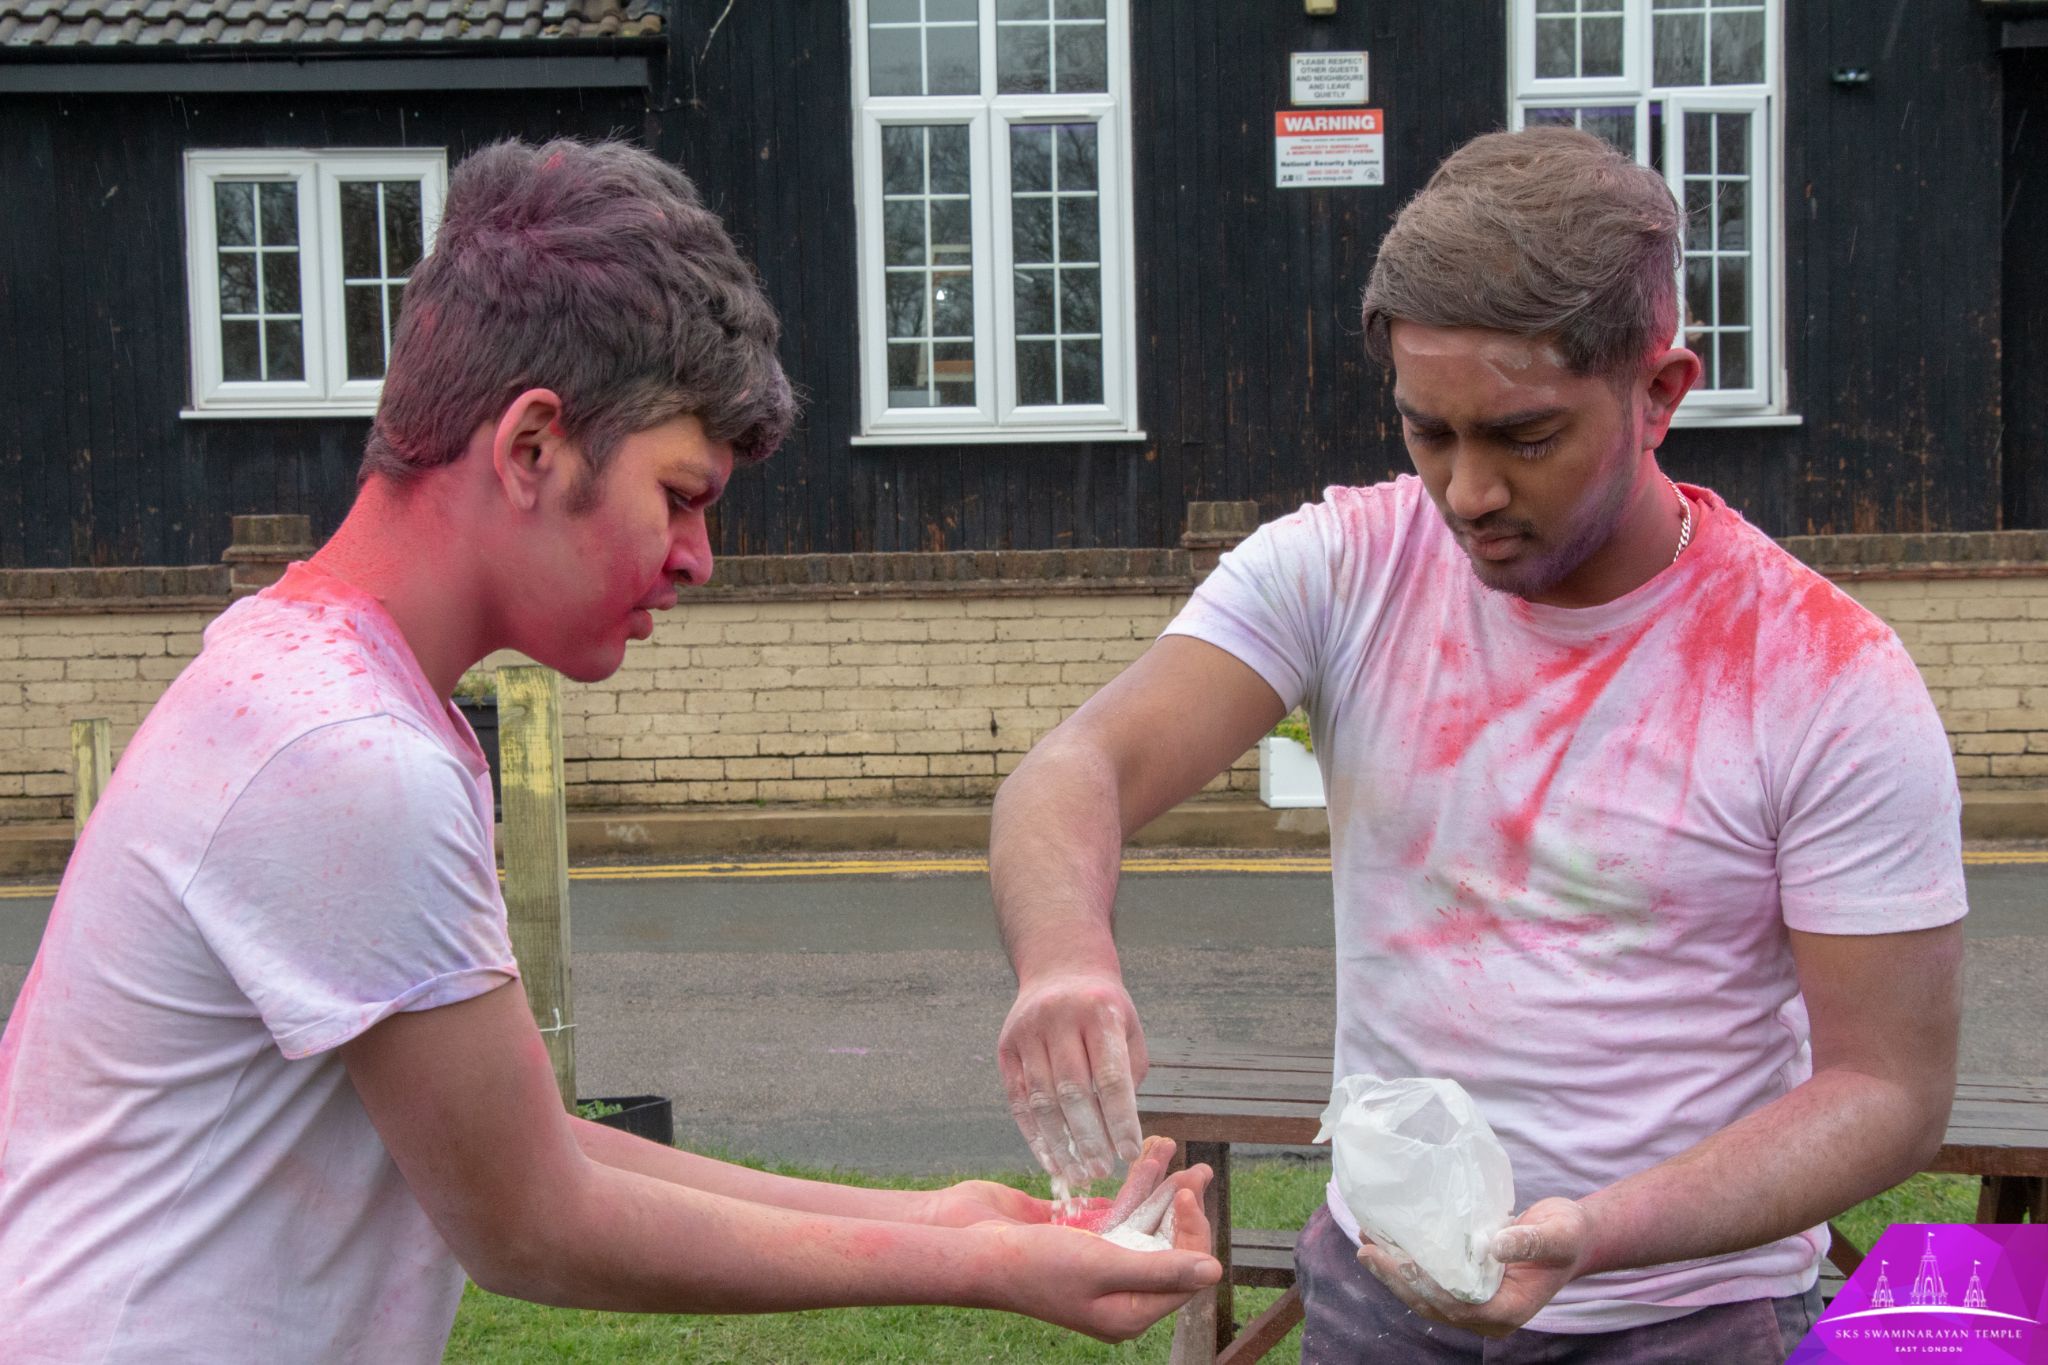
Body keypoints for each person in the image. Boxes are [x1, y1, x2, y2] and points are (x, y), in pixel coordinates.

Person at [0, 138, 1219, 1363]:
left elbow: (522, 1145)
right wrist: (978, 1266)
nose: (699, 559)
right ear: (531, 447)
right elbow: (531, 1224)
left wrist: (936, 1215)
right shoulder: (349, 755)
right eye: (679, 496)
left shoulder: (306, 677)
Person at [988, 125, 1966, 1363]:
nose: (1465, 493)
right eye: (1427, 432)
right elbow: (1076, 768)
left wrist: (1594, 1234)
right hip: (1380, 1295)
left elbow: (1886, 1093)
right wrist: (1064, 961)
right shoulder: (1344, 567)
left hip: (1682, 1316)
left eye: (1522, 436)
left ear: (1659, 393)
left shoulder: (1824, 674)